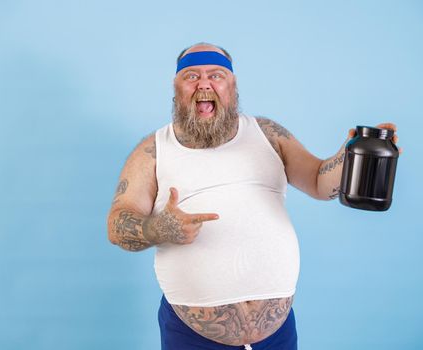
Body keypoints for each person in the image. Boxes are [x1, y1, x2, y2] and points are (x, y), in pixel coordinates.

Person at [107, 42, 400, 350]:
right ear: (176, 87)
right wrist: (158, 228)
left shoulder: (268, 135)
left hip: (277, 336)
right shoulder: (153, 151)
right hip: (192, 339)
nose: (204, 83)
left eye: (216, 75)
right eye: (191, 75)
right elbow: (116, 225)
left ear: (232, 86)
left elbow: (318, 182)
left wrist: (350, 153)